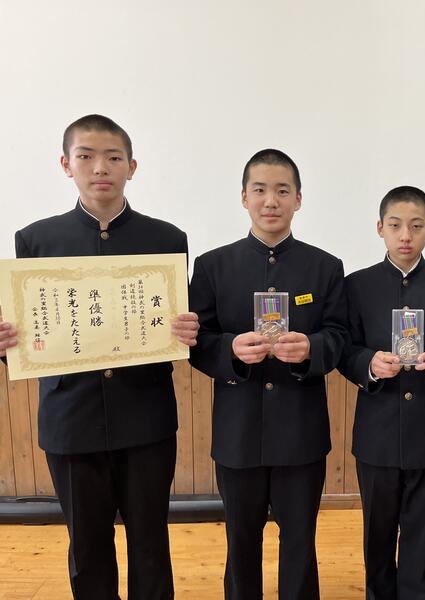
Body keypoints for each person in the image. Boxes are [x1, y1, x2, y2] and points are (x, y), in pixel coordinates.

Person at [0, 114, 199, 599]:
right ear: (66, 165)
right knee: (87, 547)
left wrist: (189, 329)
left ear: (132, 166)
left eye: (113, 157)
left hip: (146, 418)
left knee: (150, 544)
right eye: (85, 156)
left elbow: (178, 321)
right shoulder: (36, 240)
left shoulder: (166, 239)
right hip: (71, 419)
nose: (100, 168)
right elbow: (32, 334)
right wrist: (7, 344)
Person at [189, 148, 348, 600]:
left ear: (299, 199)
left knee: (300, 542)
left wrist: (311, 349)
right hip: (238, 433)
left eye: (282, 190)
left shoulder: (325, 266)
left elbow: (340, 336)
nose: (271, 201)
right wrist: (231, 350)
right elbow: (198, 342)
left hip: (301, 432)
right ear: (244, 198)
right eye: (259, 190)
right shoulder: (213, 266)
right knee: (241, 542)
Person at [339, 185, 425, 599]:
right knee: (377, 534)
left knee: (424, 534)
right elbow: (345, 348)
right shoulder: (356, 285)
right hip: (376, 431)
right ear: (380, 228)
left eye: (416, 226)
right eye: (395, 226)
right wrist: (368, 364)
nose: (405, 236)